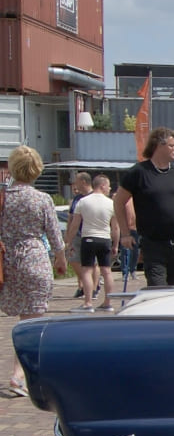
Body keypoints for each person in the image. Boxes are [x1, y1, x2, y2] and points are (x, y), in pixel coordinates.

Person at [1, 147, 68, 395]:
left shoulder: (3, 198)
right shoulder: (41, 199)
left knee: (24, 320)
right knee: (33, 321)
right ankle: (21, 374)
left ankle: (22, 373)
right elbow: (54, 235)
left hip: (7, 262)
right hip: (34, 260)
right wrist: (61, 259)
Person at [115, 127, 174, 287]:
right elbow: (119, 202)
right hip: (154, 245)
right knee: (157, 289)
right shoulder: (139, 172)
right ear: (159, 145)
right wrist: (125, 234)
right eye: (172, 146)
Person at [65, 174, 118, 311]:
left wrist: (68, 242)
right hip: (105, 238)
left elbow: (75, 224)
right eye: (108, 185)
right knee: (106, 271)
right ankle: (108, 302)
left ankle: (88, 303)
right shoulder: (111, 203)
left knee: (87, 270)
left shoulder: (83, 202)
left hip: (88, 238)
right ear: (102, 185)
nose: (110, 188)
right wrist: (116, 244)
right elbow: (115, 227)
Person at [65, 171, 91, 297]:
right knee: (74, 260)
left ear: (83, 182)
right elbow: (71, 218)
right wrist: (68, 234)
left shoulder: (93, 197)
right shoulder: (76, 199)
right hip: (76, 234)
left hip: (89, 234)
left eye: (76, 181)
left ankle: (91, 287)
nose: (74, 184)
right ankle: (84, 283)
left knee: (91, 264)